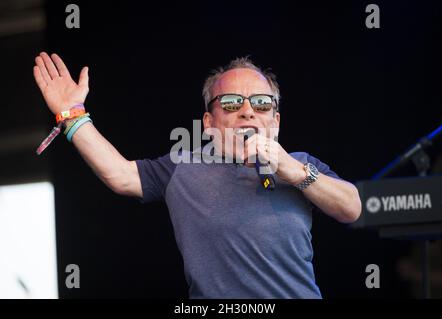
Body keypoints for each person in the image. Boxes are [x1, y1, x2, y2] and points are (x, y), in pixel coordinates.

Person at [33, 52, 362, 298]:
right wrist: (72, 114)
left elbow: (353, 207)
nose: (248, 110)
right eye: (232, 102)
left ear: (275, 120)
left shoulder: (302, 163)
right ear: (208, 122)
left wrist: (294, 171)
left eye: (262, 103)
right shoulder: (182, 166)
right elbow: (119, 175)